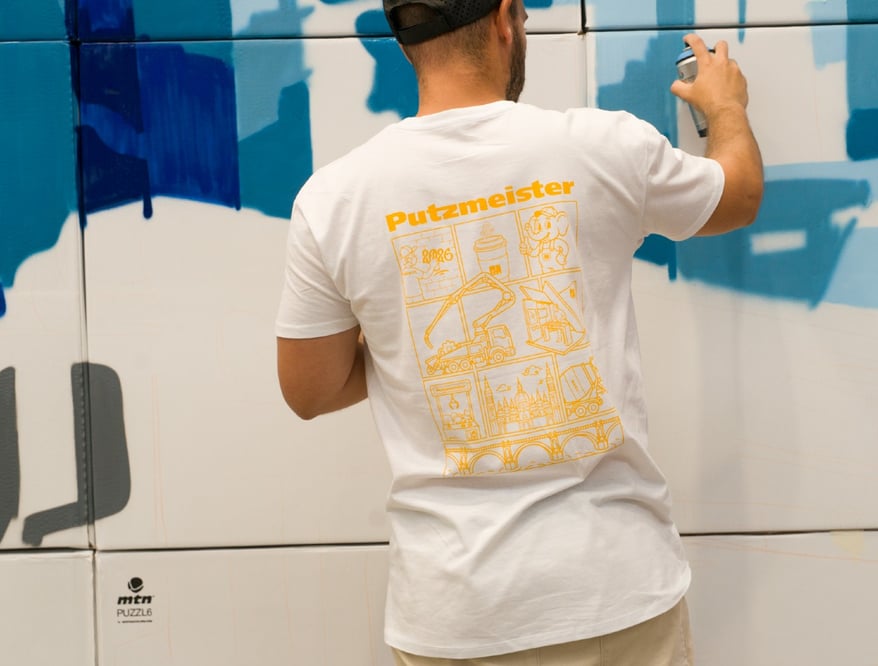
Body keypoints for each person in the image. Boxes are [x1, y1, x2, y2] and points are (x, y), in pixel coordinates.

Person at [275, 0, 762, 663]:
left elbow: (310, 388)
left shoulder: (334, 198)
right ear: (505, 20)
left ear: (404, 38)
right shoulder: (602, 146)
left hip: (454, 615)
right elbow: (738, 194)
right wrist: (726, 106)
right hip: (613, 592)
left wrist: (411, 332)